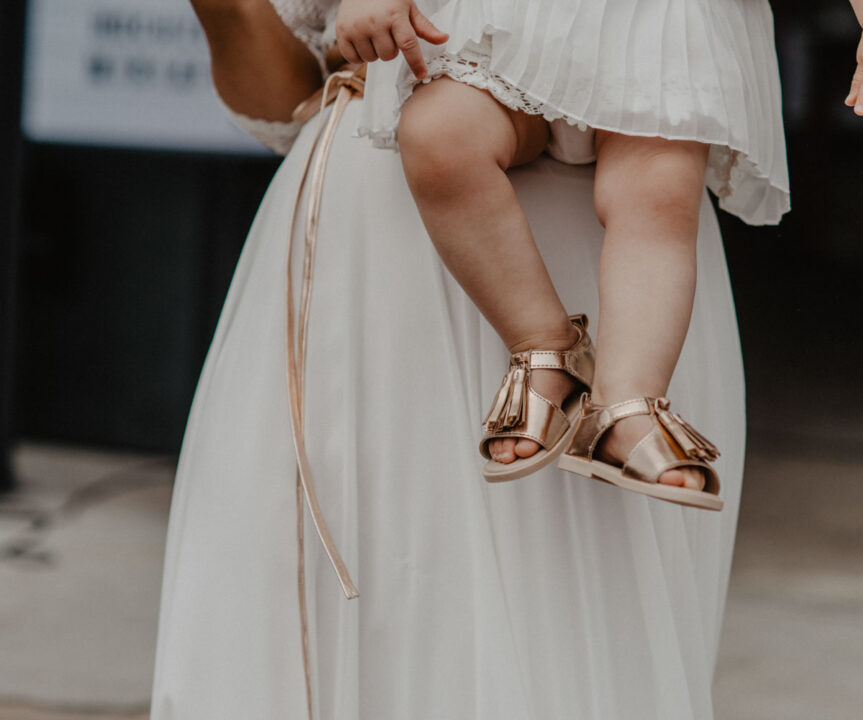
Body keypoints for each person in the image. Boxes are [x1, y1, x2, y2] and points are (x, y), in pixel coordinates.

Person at [150, 0, 748, 718]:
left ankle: (622, 403)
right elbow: (277, 85)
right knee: (414, 605)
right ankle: (552, 356)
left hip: (639, 243)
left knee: (601, 632)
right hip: (415, 199)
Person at [333, 0, 863, 507]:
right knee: (437, 134)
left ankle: (625, 404)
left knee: (657, 195)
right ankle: (543, 344)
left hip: (659, 42)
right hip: (503, 35)